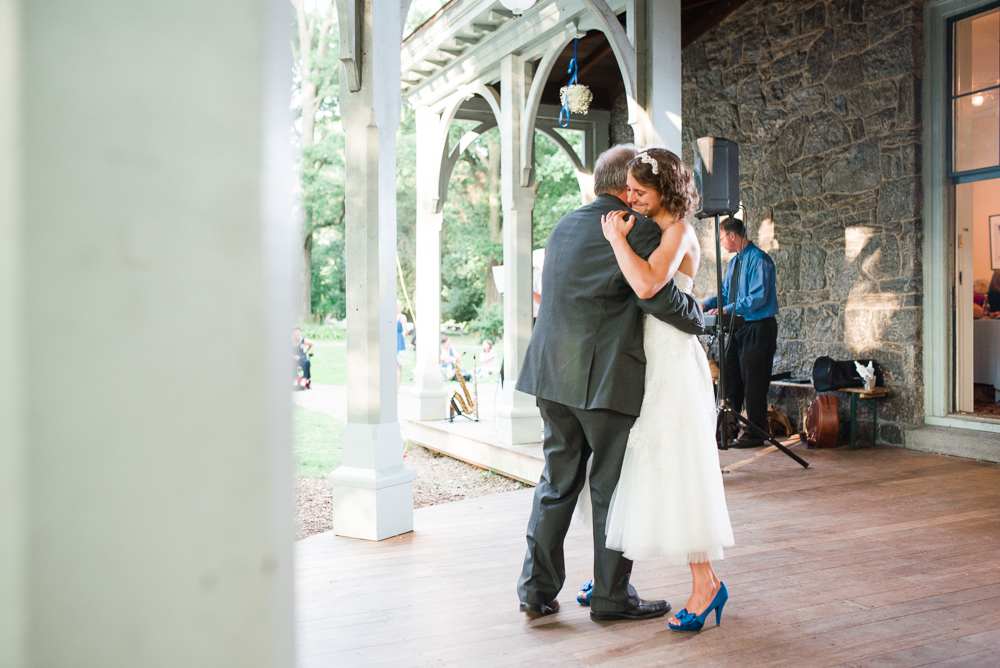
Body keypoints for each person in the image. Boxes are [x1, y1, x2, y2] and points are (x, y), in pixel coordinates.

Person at [514, 144, 704, 623]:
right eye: (635, 189)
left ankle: (535, 590)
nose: (638, 199)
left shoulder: (564, 224)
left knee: (556, 485)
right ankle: (610, 597)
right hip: (604, 381)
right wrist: (703, 317)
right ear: (626, 189)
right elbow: (658, 299)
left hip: (552, 376)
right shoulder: (635, 229)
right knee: (610, 490)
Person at [598, 148, 734, 632]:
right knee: (658, 464)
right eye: (629, 190)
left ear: (666, 191)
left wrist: (616, 239)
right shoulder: (661, 226)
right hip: (658, 358)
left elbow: (650, 284)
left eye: (639, 191)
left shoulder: (678, 230)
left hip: (674, 361)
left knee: (680, 467)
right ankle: (694, 580)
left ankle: (705, 584)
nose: (629, 198)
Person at [701, 216, 779, 448]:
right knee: (730, 377)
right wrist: (704, 305)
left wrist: (725, 309)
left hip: (758, 328)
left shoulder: (760, 260)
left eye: (722, 238)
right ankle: (728, 428)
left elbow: (756, 297)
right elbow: (725, 293)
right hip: (737, 328)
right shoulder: (734, 264)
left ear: (732, 235)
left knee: (754, 382)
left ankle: (755, 432)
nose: (721, 243)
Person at [292, 326, 313, 390]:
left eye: (299, 332)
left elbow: (311, 343)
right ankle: (294, 379)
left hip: (301, 357)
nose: (297, 333)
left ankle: (305, 379)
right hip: (293, 357)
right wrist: (294, 357)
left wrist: (306, 351)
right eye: (296, 332)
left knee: (307, 362)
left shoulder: (302, 340)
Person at [397, 301, 410, 388]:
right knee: (398, 366)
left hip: (391, 339)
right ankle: (397, 386)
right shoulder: (402, 317)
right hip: (399, 340)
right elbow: (405, 330)